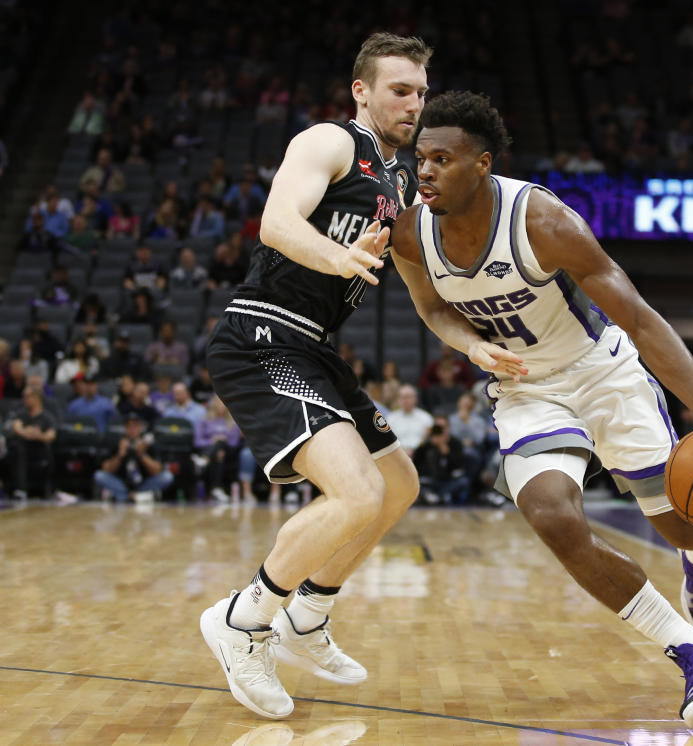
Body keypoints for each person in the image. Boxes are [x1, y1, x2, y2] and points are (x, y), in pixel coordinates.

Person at [390, 91, 693, 728]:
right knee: (552, 516)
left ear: (482, 164)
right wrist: (473, 346)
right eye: (421, 158)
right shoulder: (411, 230)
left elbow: (636, 317)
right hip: (527, 388)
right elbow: (433, 307)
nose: (424, 171)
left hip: (602, 374)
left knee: (676, 517)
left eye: (442, 159)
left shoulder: (544, 222)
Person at [200, 33, 446, 720]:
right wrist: (339, 260)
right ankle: (244, 622)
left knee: (398, 484)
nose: (414, 103)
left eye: (421, 92)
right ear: (362, 91)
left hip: (313, 345)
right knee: (358, 492)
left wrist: (477, 345)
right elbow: (277, 223)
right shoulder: (331, 142)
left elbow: (424, 288)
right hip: (261, 333)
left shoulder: (400, 183)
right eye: (401, 89)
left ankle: (307, 616)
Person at [94, 413, 173, 502]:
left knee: (167, 476)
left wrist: (142, 454)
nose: (132, 430)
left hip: (143, 485)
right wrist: (120, 455)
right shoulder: (118, 442)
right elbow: (106, 469)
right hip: (122, 484)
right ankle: (128, 496)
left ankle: (134, 496)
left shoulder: (147, 445)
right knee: (99, 475)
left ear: (140, 428)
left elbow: (157, 470)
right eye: (129, 426)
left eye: (135, 426)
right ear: (125, 428)